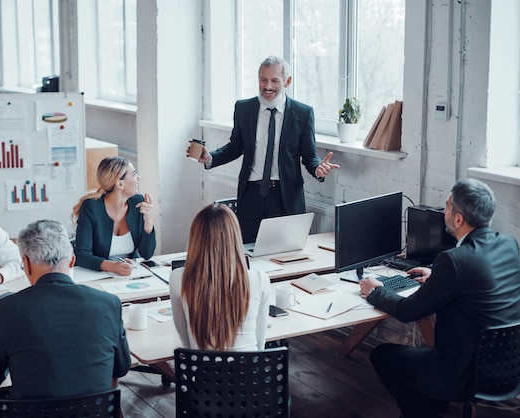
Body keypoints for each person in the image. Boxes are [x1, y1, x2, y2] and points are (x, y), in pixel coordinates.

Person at [358, 178, 520, 418]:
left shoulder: (454, 260)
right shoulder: (508, 244)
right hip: (508, 368)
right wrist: (439, 277)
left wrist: (375, 291)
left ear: (458, 218)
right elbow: (481, 280)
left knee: (383, 356)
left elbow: (407, 312)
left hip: (462, 371)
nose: (444, 212)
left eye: (447, 206)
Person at [0, 219, 131, 417]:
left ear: (26, 264)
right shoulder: (108, 303)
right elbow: (122, 367)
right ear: (72, 260)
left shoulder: (6, 309)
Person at [188, 56, 339, 243]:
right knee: (247, 252)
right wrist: (210, 157)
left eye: (274, 80)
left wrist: (317, 168)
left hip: (285, 198)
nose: (268, 86)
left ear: (287, 81)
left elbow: (309, 155)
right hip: (251, 195)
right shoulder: (244, 108)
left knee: (286, 254)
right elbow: (235, 146)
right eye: (263, 79)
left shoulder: (303, 113)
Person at [170, 203, 270, 350]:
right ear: (235, 237)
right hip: (249, 370)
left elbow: (186, 343)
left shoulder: (178, 278)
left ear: (195, 239)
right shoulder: (260, 279)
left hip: (201, 371)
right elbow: (260, 344)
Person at [73, 156, 156, 274]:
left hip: (130, 273)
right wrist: (111, 266)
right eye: (133, 174)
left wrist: (148, 221)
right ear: (120, 184)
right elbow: (82, 254)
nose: (138, 178)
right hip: (97, 274)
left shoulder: (137, 203)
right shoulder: (91, 207)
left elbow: (147, 254)